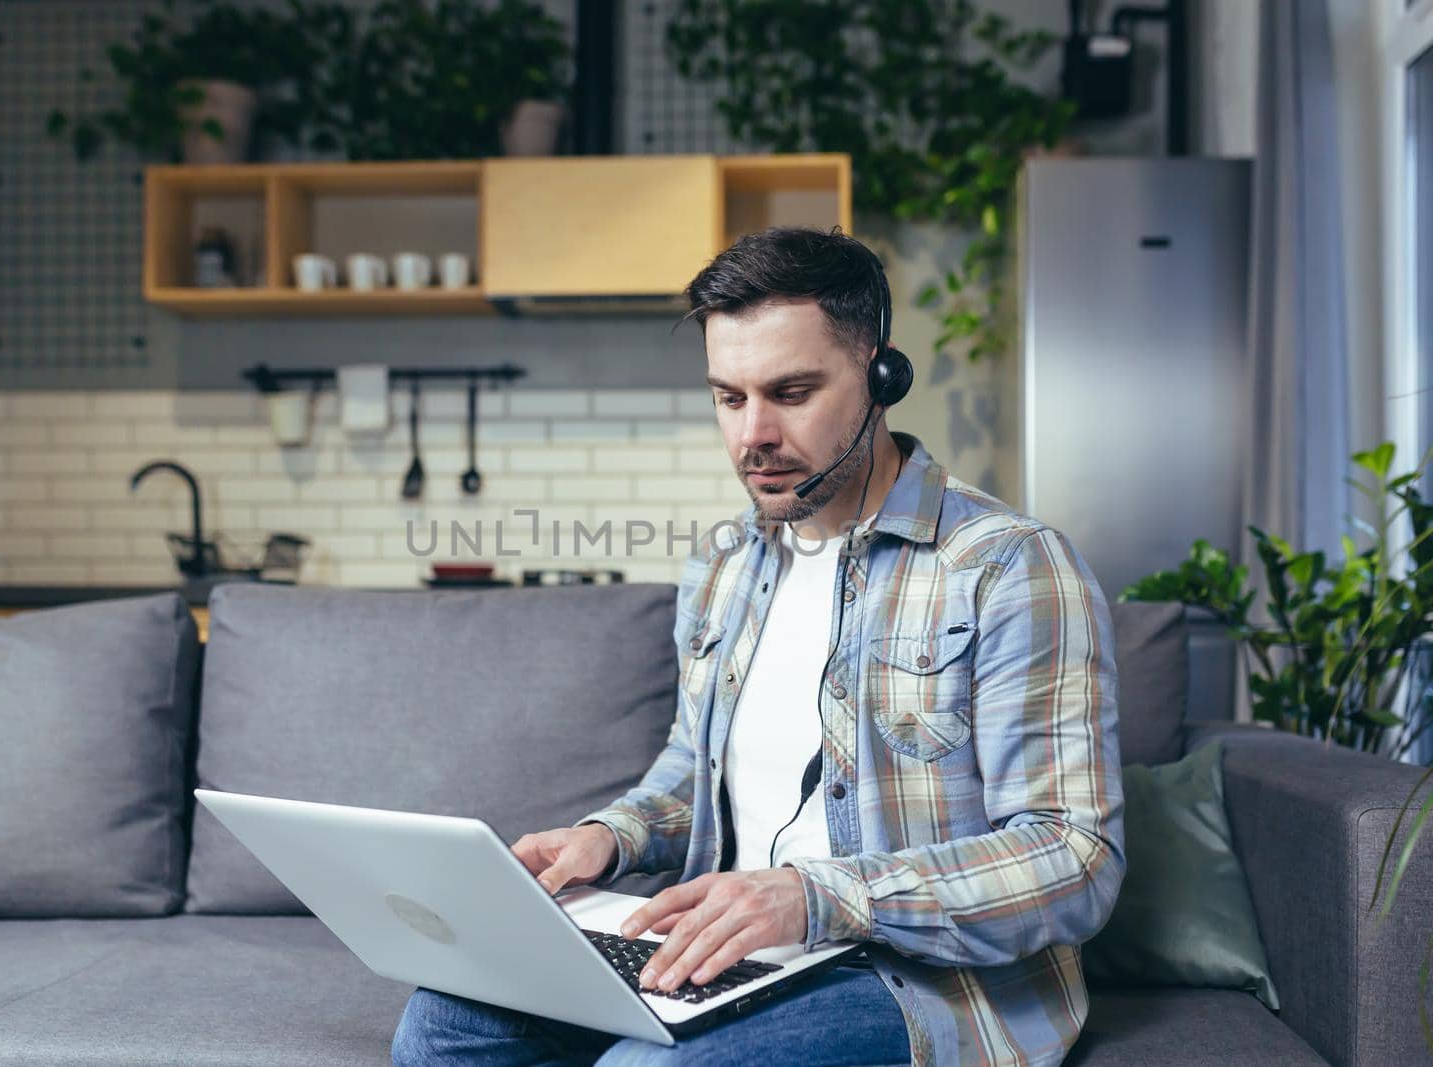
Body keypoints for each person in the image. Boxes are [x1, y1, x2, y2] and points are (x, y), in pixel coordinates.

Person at [392, 226, 1126, 1067]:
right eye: (729, 397)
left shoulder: (1008, 565)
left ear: (881, 377)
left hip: (914, 977)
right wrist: (611, 836)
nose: (754, 435)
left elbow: (1074, 856)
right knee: (445, 1023)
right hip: (731, 952)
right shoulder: (723, 565)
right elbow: (693, 770)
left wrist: (818, 896)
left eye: (791, 390)